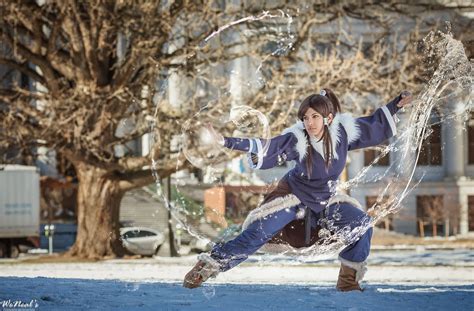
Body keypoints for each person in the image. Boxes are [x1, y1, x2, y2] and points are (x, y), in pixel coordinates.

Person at [183, 88, 412, 291]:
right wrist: (225, 141)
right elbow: (266, 146)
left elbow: (374, 125)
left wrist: (395, 106)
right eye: (305, 117)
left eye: (314, 116)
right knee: (258, 233)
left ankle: (348, 280)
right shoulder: (297, 139)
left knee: (362, 225)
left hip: (326, 198)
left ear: (328, 118)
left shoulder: (343, 134)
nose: (309, 122)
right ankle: (208, 266)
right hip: (293, 195)